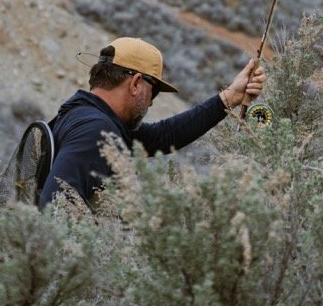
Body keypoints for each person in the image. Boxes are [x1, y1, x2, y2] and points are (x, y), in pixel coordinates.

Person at [38, 37, 265, 210]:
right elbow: (53, 210)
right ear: (136, 83)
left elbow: (163, 137)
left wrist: (229, 98)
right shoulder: (96, 131)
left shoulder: (88, 117)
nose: (151, 103)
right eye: (153, 92)